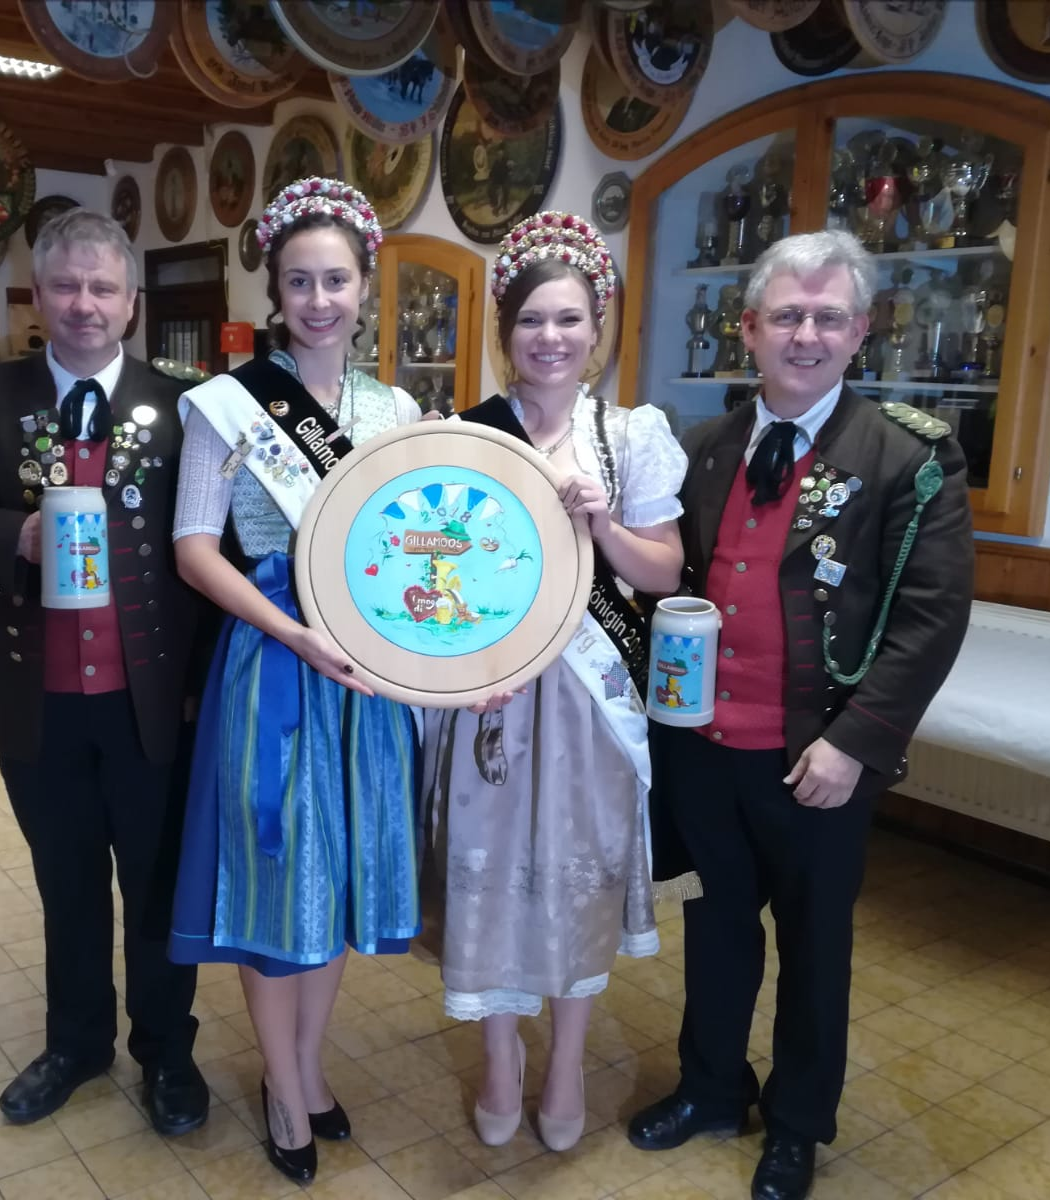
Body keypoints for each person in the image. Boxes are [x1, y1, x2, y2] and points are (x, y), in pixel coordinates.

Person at [625, 229, 974, 1200]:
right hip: (703, 749)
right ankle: (710, 1088)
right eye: (786, 316)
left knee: (815, 948)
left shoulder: (908, 456)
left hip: (816, 758)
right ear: (749, 329)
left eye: (828, 317)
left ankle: (796, 1124)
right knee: (715, 927)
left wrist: (856, 745)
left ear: (860, 331)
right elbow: (665, 585)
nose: (806, 335)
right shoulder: (701, 449)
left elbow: (931, 618)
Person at [0, 208, 210, 1136]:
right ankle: (76, 1045)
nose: (84, 304)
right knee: (65, 883)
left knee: (156, 885)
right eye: (66, 285)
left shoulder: (189, 409)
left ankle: (167, 1050)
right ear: (37, 296)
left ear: (132, 303)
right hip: (35, 701)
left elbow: (219, 547)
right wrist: (15, 536)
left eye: (103, 287)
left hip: (156, 702)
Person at [167, 178, 424, 1186]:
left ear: (364, 287)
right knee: (279, 886)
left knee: (338, 882)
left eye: (337, 280)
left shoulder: (396, 410)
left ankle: (310, 1069)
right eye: (300, 281)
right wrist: (292, 632)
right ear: (275, 290)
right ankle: (281, 1086)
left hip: (364, 678)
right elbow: (196, 548)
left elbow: (408, 549)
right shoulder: (228, 406)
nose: (320, 300)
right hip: (273, 665)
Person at [418, 212, 690, 1154]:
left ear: (596, 328)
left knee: (577, 883)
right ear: (506, 331)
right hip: (489, 695)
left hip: (589, 702)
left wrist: (604, 525)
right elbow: (430, 569)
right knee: (488, 878)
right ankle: (500, 1058)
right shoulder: (466, 433)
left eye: (570, 319)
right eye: (532, 319)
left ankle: (566, 1063)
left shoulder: (630, 435)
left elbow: (664, 571)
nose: (551, 337)